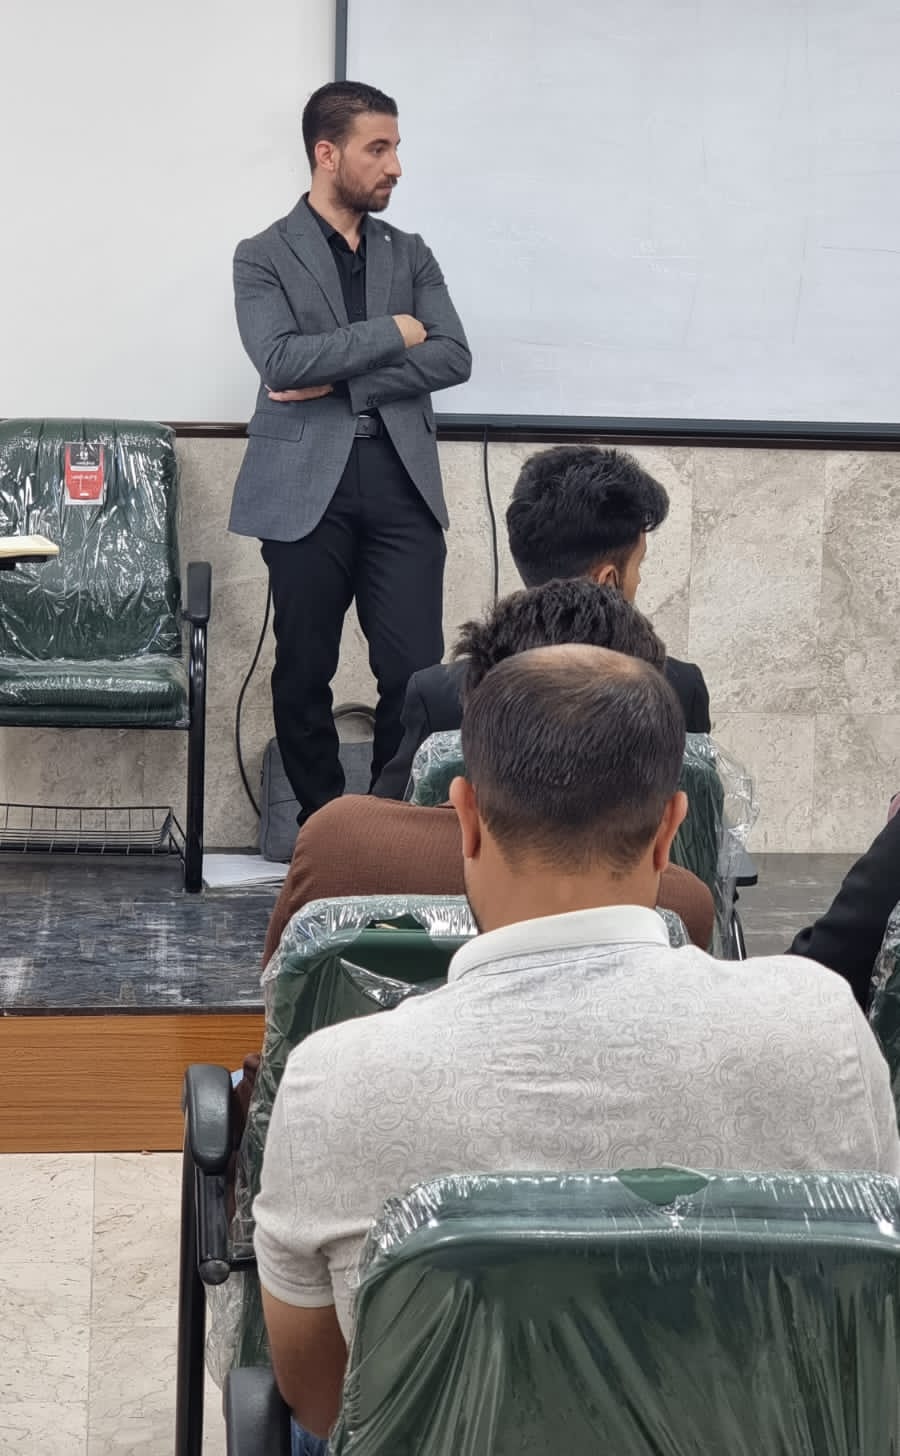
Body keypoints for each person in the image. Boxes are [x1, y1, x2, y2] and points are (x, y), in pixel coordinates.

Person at [254, 646, 899, 1448]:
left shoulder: (334, 1079)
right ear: (671, 829)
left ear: (464, 816)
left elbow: (325, 1405)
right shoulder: (823, 1028)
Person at [229, 80, 471, 823]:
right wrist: (395, 331)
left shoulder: (411, 253)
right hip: (306, 488)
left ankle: (389, 824)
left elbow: (453, 355)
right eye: (379, 148)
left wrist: (341, 380)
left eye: (395, 147)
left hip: (402, 481)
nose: (395, 165)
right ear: (327, 154)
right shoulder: (262, 256)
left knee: (416, 673)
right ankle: (325, 825)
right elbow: (281, 361)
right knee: (305, 669)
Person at [260, 579, 716, 967]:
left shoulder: (337, 844)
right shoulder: (684, 906)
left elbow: (281, 1023)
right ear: (668, 826)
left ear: (468, 814)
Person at [374, 444, 709, 799]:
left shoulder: (439, 696)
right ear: (608, 581)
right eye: (639, 565)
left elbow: (393, 816)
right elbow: (702, 826)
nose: (638, 580)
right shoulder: (678, 690)